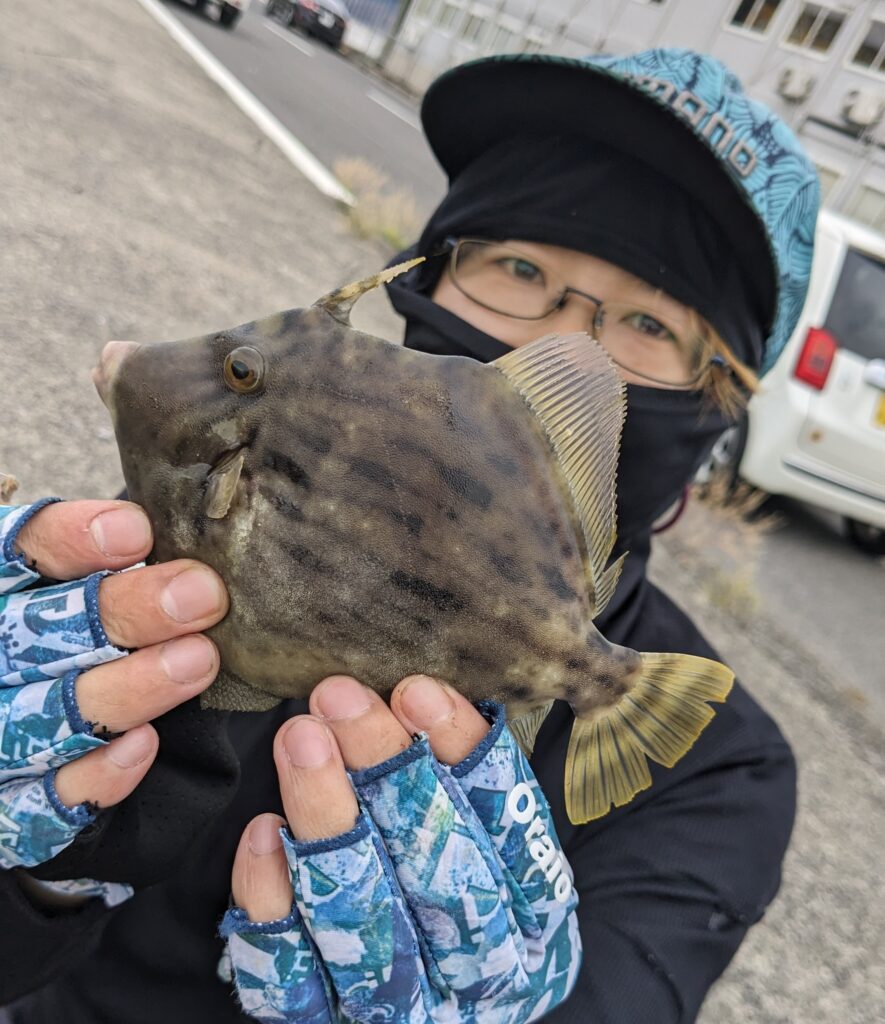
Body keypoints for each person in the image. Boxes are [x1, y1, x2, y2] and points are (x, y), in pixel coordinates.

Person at [0, 48, 818, 1023]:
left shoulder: (721, 767)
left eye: (648, 321)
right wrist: (40, 872)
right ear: (428, 280)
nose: (561, 348)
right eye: (520, 267)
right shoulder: (195, 542)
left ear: (716, 409)